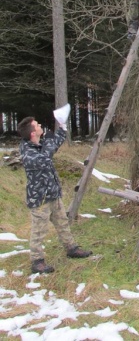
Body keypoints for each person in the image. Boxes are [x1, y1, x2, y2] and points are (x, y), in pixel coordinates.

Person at [17, 113, 92, 274]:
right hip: (40, 199)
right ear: (33, 133)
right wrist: (50, 141)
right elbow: (45, 158)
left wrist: (62, 127)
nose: (40, 126)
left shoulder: (40, 144)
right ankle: (37, 261)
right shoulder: (28, 153)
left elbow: (54, 144)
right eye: (37, 125)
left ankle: (71, 248)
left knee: (62, 222)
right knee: (39, 230)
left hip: (53, 194)